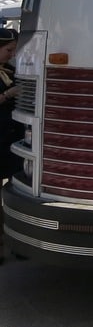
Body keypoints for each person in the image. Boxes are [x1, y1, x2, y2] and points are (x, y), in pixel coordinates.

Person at [0, 27, 23, 264]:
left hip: (11, 138)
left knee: (15, 190)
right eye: (8, 50)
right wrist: (7, 95)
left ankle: (16, 241)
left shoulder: (9, 70)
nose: (11, 54)